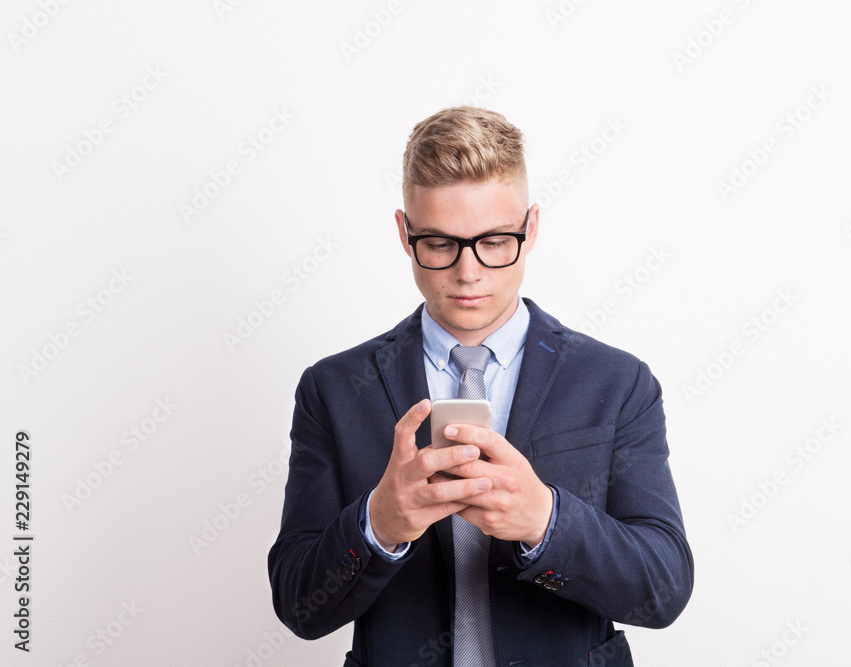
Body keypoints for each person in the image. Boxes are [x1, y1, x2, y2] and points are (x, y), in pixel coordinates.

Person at [267, 106, 694, 666]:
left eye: (494, 241)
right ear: (404, 234)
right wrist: (378, 524)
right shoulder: (333, 390)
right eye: (439, 244)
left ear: (531, 228)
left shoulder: (617, 382)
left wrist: (545, 520)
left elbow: (664, 588)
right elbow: (299, 605)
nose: (468, 273)